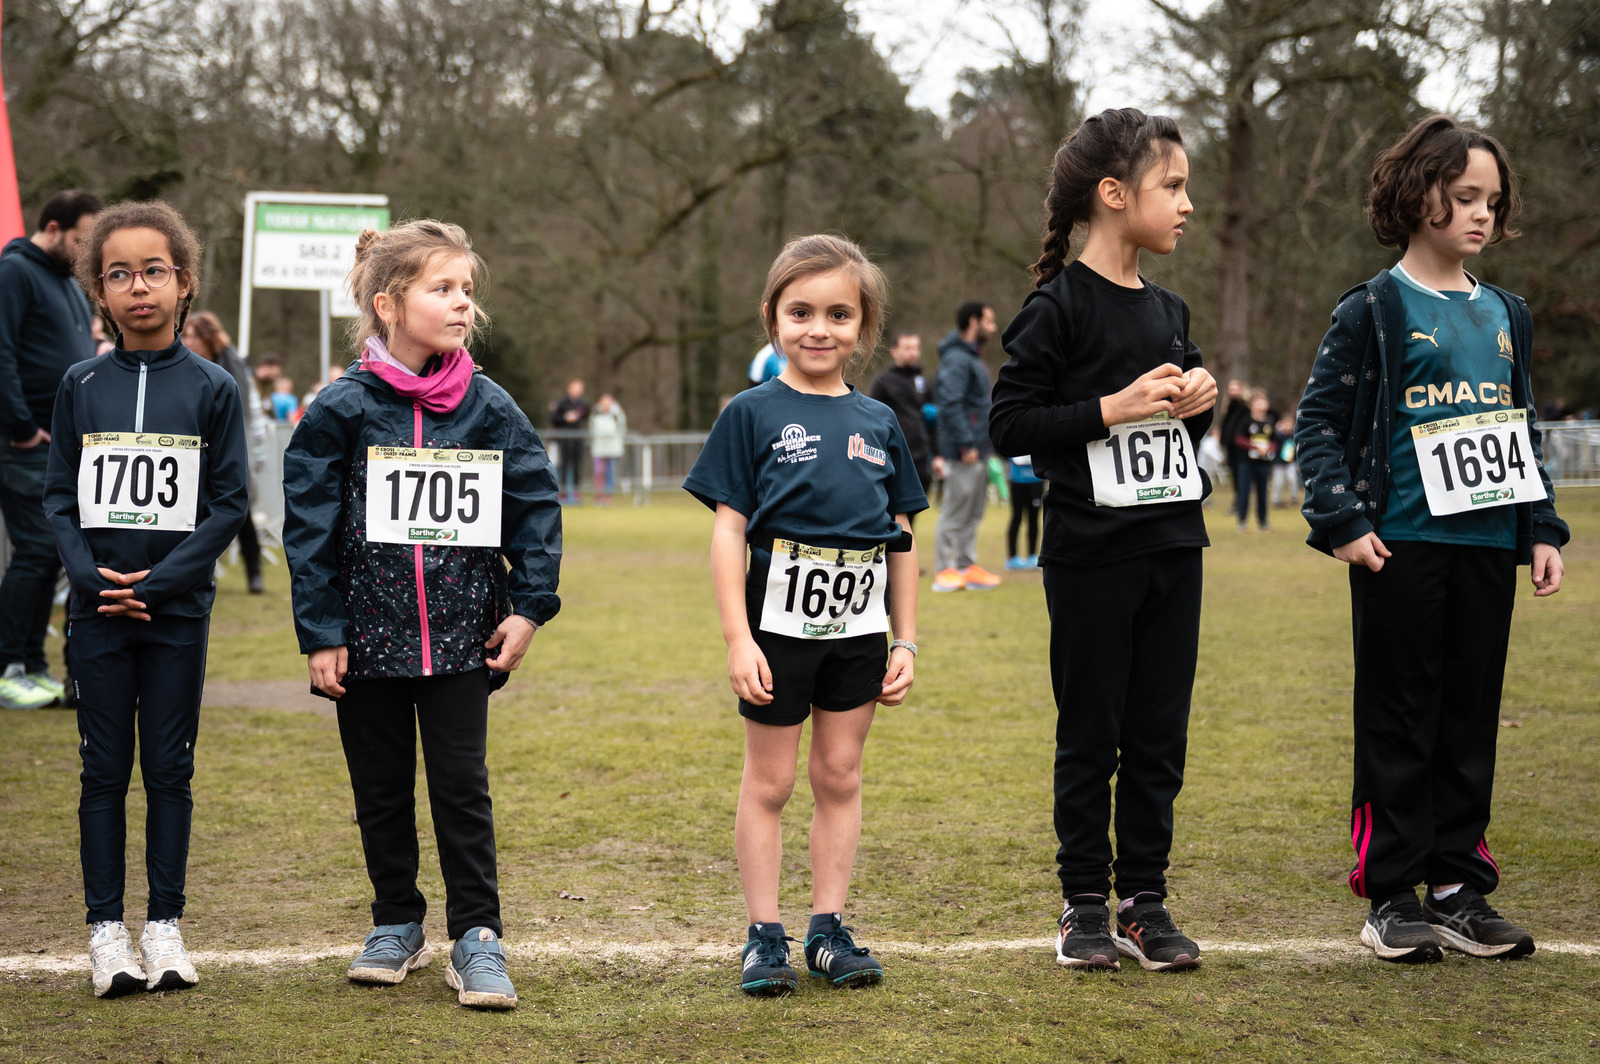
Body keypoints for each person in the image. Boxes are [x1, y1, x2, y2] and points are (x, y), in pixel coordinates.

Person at [1295, 115, 1568, 964]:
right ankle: (1392, 893)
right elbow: (1318, 423)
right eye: (1464, 197)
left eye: (1492, 200)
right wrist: (1342, 520)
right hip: (1400, 545)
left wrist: (1541, 528)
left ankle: (1457, 889)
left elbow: (1519, 428)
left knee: (1468, 717)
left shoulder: (1508, 315)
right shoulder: (1373, 308)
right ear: (1420, 198)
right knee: (1400, 716)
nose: (1483, 214)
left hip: (1487, 547)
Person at [283, 220, 562, 1011]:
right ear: (389, 304)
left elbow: (535, 504)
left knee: (461, 790)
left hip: (463, 642)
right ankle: (396, 922)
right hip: (364, 644)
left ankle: (478, 936)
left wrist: (529, 608)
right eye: (443, 289)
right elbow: (308, 527)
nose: (463, 302)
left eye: (467, 289)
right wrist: (321, 632)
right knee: (379, 789)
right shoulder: (340, 408)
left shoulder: (490, 406)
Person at [989, 107, 1217, 973]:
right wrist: (1108, 410)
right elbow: (1010, 424)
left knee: (1160, 735)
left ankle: (1144, 904)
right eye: (1173, 186)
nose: (1187, 204)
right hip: (1091, 555)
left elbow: (1176, 437)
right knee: (1092, 733)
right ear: (1115, 194)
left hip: (1175, 548)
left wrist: (1199, 405)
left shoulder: (1170, 309)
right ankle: (1084, 904)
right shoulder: (1056, 308)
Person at [683, 234, 925, 996]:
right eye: (801, 312)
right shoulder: (750, 414)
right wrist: (738, 637)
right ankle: (764, 937)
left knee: (840, 773)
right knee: (772, 781)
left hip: (858, 632)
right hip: (776, 629)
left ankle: (827, 930)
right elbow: (728, 531)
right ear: (772, 319)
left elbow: (902, 537)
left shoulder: (880, 422)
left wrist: (906, 640)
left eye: (839, 314)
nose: (819, 329)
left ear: (864, 324)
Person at [43, 201, 248, 997]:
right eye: (119, 274)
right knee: (102, 770)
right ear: (99, 290)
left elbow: (227, 504)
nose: (138, 287)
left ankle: (164, 925)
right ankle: (106, 931)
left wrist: (160, 583)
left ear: (183, 281)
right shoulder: (79, 384)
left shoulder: (213, 387)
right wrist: (93, 579)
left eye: (153, 271)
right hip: (97, 614)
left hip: (176, 615)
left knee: (169, 768)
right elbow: (59, 498)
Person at [0, 189, 103, 709]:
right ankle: (9, 666)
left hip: (60, 442)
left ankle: (34, 666)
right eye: (82, 240)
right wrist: (20, 426)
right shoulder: (15, 273)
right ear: (54, 228)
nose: (88, 252)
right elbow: (2, 351)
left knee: (50, 556)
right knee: (38, 550)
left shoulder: (66, 282)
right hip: (26, 442)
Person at [182, 312, 266, 592]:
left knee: (240, 514)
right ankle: (202, 572)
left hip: (231, 450)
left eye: (195, 335)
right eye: (186, 335)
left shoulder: (231, 366)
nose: (189, 341)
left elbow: (250, 412)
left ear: (209, 337)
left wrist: (255, 456)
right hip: (197, 451)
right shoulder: (185, 367)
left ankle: (254, 572)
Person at [931, 300, 1001, 592]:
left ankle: (966, 566)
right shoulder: (957, 359)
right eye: (989, 321)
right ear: (973, 321)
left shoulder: (972, 357)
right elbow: (950, 404)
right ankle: (945, 570)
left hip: (979, 449)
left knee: (973, 512)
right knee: (955, 510)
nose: (993, 328)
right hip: (964, 451)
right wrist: (965, 443)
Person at [867, 331, 933, 533]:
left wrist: (937, 454)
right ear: (894, 351)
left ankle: (908, 551)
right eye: (907, 348)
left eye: (916, 348)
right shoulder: (883, 381)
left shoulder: (921, 380)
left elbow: (932, 419)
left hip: (921, 457)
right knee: (893, 513)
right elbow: (872, 421)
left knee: (912, 514)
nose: (913, 353)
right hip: (894, 457)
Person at [1232, 391, 1275, 532]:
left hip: (1264, 463)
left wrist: (1269, 448)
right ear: (1251, 405)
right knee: (1244, 492)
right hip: (1246, 463)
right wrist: (1254, 447)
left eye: (1263, 401)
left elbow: (1275, 441)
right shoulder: (1246, 420)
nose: (1261, 404)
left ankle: (1263, 522)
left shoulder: (1269, 421)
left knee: (1262, 493)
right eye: (1258, 402)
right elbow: (1238, 439)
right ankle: (1242, 522)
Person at [550, 378, 589, 504]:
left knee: (577, 464)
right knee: (564, 465)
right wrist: (565, 418)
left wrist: (577, 416)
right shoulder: (562, 403)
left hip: (577, 439)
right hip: (564, 440)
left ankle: (576, 493)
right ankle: (563, 492)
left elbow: (585, 414)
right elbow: (554, 418)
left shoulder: (583, 403)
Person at [1004, 455, 1042, 569]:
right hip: (1018, 480)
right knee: (1017, 517)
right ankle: (1012, 557)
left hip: (1036, 480)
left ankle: (1032, 555)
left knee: (1034, 518)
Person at [589, 392, 626, 504]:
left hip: (612, 449)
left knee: (610, 472)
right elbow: (592, 429)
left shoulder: (617, 415)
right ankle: (599, 494)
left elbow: (622, 429)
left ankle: (608, 495)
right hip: (599, 448)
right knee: (598, 472)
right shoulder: (595, 414)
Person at [1269, 413, 1299, 508]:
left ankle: (1294, 497)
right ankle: (1276, 499)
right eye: (1285, 423)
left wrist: (1297, 463)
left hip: (1291, 463)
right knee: (1278, 482)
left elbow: (1296, 450)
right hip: (1279, 463)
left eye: (1290, 424)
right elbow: (1271, 439)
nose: (1287, 426)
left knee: (1292, 480)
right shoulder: (1278, 436)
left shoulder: (1294, 436)